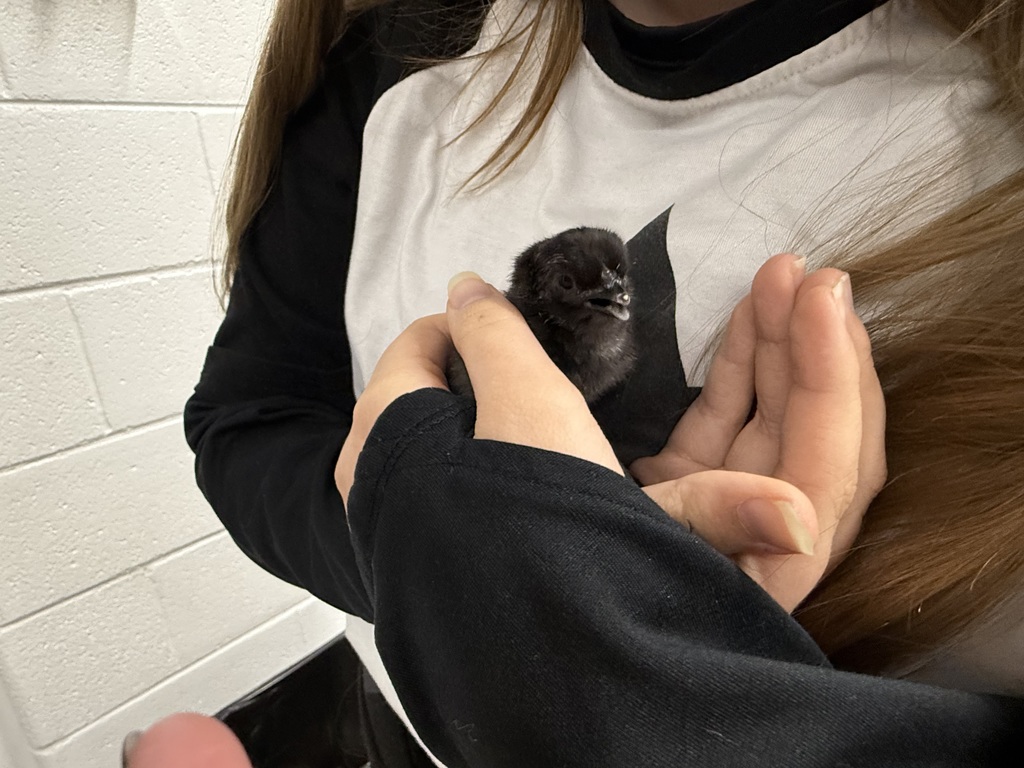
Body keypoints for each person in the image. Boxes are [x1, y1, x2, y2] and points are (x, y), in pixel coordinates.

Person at [182, 0, 1024, 765]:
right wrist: (479, 583)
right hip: (403, 724)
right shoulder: (409, 52)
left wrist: (562, 628)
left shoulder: (987, 136)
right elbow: (251, 418)